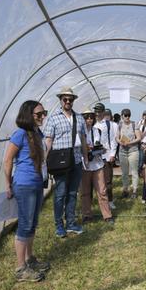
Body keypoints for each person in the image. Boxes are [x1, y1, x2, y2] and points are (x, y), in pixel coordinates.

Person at [4, 100, 50, 282]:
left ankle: (29, 259)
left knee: (32, 223)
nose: (42, 117)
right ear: (28, 115)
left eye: (43, 113)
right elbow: (7, 161)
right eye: (39, 114)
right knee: (25, 224)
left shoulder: (37, 134)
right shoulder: (20, 134)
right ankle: (20, 267)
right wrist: (8, 185)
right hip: (24, 185)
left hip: (36, 183)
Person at [43, 87, 88, 238]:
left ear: (74, 101)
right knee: (60, 194)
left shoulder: (79, 118)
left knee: (72, 193)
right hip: (60, 162)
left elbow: (83, 139)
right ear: (60, 100)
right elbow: (48, 140)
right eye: (65, 99)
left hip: (75, 160)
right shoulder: (54, 118)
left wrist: (85, 157)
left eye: (70, 99)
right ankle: (59, 225)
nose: (68, 101)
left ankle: (71, 223)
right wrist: (45, 160)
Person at [80, 107, 114, 224]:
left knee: (102, 190)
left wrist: (101, 150)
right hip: (85, 165)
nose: (89, 119)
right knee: (85, 192)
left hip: (98, 164)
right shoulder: (80, 132)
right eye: (86, 117)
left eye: (91, 117)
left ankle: (107, 215)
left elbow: (104, 147)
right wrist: (85, 149)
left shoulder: (97, 131)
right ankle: (87, 215)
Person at [94, 103, 118, 210]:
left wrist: (112, 154)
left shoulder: (111, 125)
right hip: (94, 158)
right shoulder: (91, 124)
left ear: (104, 112)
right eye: (96, 111)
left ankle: (110, 200)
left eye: (100, 111)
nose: (98, 113)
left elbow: (113, 140)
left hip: (107, 156)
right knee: (96, 182)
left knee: (108, 181)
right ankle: (99, 201)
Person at [117, 108, 141, 198]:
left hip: (133, 151)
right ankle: (125, 189)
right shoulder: (119, 125)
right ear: (122, 116)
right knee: (124, 172)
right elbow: (117, 137)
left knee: (134, 171)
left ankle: (134, 190)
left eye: (129, 115)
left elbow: (138, 138)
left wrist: (129, 143)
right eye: (125, 115)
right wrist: (120, 142)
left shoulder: (134, 124)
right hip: (122, 151)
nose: (127, 117)